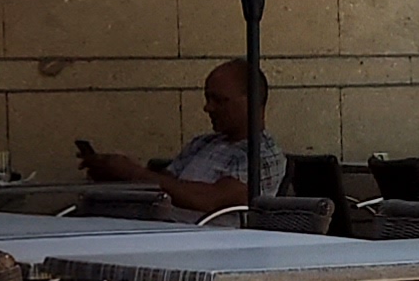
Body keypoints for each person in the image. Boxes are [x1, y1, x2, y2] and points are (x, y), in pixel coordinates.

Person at [79, 59, 285, 215]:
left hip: (209, 242)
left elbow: (212, 200)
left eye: (219, 100)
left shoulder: (262, 154)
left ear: (251, 101)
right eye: (207, 98)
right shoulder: (203, 143)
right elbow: (164, 184)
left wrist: (135, 173)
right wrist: (117, 174)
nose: (208, 107)